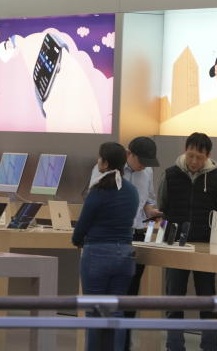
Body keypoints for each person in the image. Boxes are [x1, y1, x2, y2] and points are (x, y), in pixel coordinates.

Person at [159, 132, 217, 351]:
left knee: (207, 299)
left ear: (208, 156)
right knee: (174, 299)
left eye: (199, 157)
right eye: (190, 155)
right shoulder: (170, 175)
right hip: (175, 245)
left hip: (205, 246)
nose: (194, 161)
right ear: (185, 151)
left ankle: (210, 346)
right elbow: (162, 206)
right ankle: (174, 346)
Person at [73, 142, 140, 351]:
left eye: (100, 158)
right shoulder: (132, 191)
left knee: (94, 311)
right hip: (125, 256)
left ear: (106, 163)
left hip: (97, 255)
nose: (97, 161)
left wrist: (77, 240)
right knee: (116, 311)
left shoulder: (98, 190)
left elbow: (82, 225)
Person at [120, 136, 162, 350]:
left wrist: (152, 212)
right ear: (129, 154)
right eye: (141, 160)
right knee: (117, 290)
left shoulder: (147, 172)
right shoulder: (114, 170)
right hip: (118, 235)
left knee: (132, 291)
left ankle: (125, 341)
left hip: (139, 233)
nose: (144, 165)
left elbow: (149, 200)